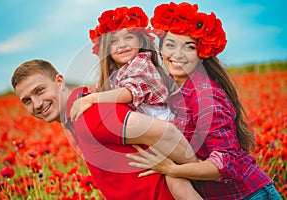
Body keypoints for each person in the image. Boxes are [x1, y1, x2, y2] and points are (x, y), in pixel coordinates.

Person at [127, 2, 282, 200]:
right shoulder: (176, 91)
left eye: (189, 47)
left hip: (249, 194)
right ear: (161, 50)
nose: (177, 54)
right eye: (171, 45)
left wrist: (172, 169)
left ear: (201, 55)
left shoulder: (206, 97)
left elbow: (225, 163)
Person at [11, 59, 201, 199]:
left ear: (59, 82)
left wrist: (198, 173)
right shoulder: (76, 118)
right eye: (27, 100)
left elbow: (167, 133)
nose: (36, 104)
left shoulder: (90, 115)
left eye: (40, 91)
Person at [70, 6, 174, 122]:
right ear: (106, 49)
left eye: (128, 37)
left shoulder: (142, 62)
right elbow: (101, 92)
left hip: (164, 126)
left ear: (140, 41)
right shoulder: (114, 73)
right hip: (142, 127)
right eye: (114, 41)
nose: (122, 45)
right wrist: (83, 98)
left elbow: (129, 92)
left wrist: (92, 99)